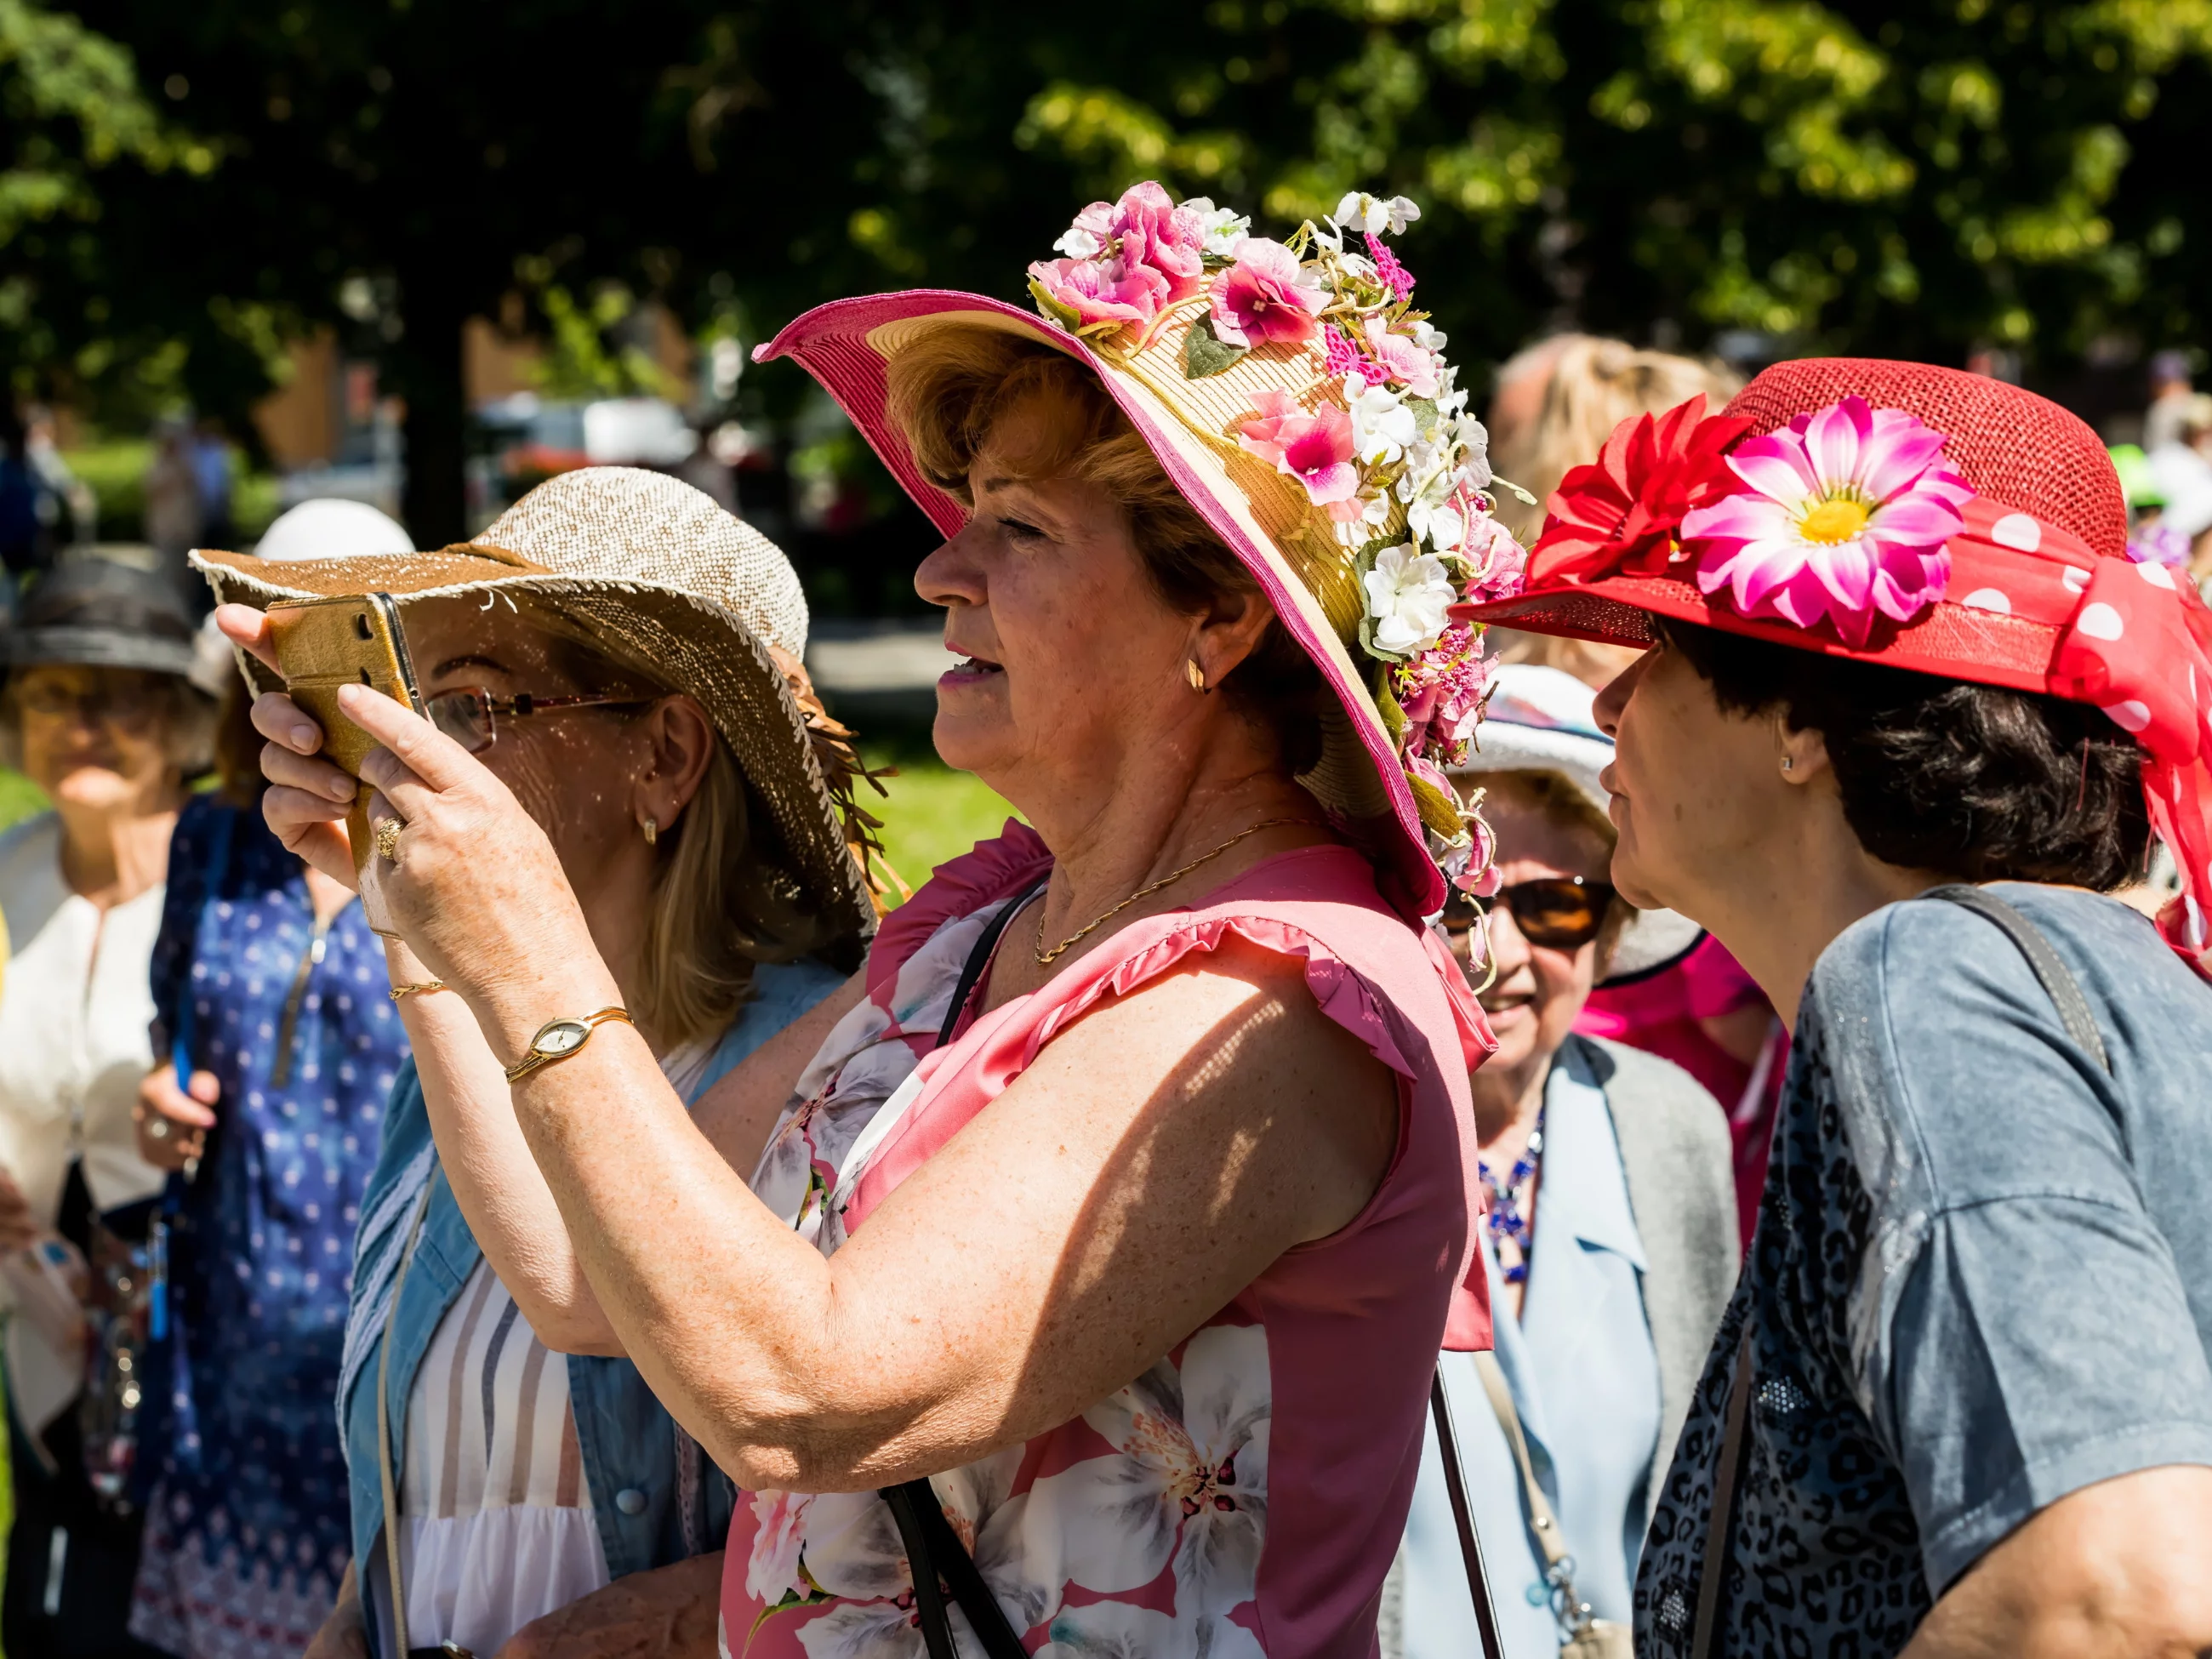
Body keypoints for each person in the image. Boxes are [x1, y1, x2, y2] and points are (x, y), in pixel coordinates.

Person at [226, 182, 1511, 1656]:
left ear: (1217, 618)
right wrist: (425, 925)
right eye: (964, 513)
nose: (936, 569)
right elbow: (593, 1283)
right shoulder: (990, 920)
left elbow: (810, 1395)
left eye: (1018, 527)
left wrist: (533, 951)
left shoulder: (1277, 996)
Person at [1466, 359, 2212, 1654]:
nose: (1608, 701)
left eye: (1665, 652)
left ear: (1802, 715)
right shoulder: (2057, 974)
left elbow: (2116, 1586)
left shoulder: (1931, 974)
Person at [197, 468, 882, 1659]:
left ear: (665, 757)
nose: (412, 752)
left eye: (468, 704)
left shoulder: (828, 1057)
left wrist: (681, 1615)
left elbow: (872, 1500)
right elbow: (427, 1489)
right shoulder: (454, 1055)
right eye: (405, 698)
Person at [1387, 664, 1736, 1659]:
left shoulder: (1668, 1122)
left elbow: (1706, 1473)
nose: (1491, 954)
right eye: (1455, 905)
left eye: (1553, 912)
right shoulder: (1330, 1130)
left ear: (1609, 928)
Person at [124, 505, 418, 1659]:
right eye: (272, 644)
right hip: (230, 1328)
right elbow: (178, 1026)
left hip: (389, 1334)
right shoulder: (211, 838)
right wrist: (164, 1097)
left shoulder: (448, 836)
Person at [0, 558, 216, 1659]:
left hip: (211, 1361)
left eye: (117, 693)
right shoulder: (8, 876)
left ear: (181, 717)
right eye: (48, 692)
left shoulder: (235, 877)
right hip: (41, 1355)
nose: (79, 721)